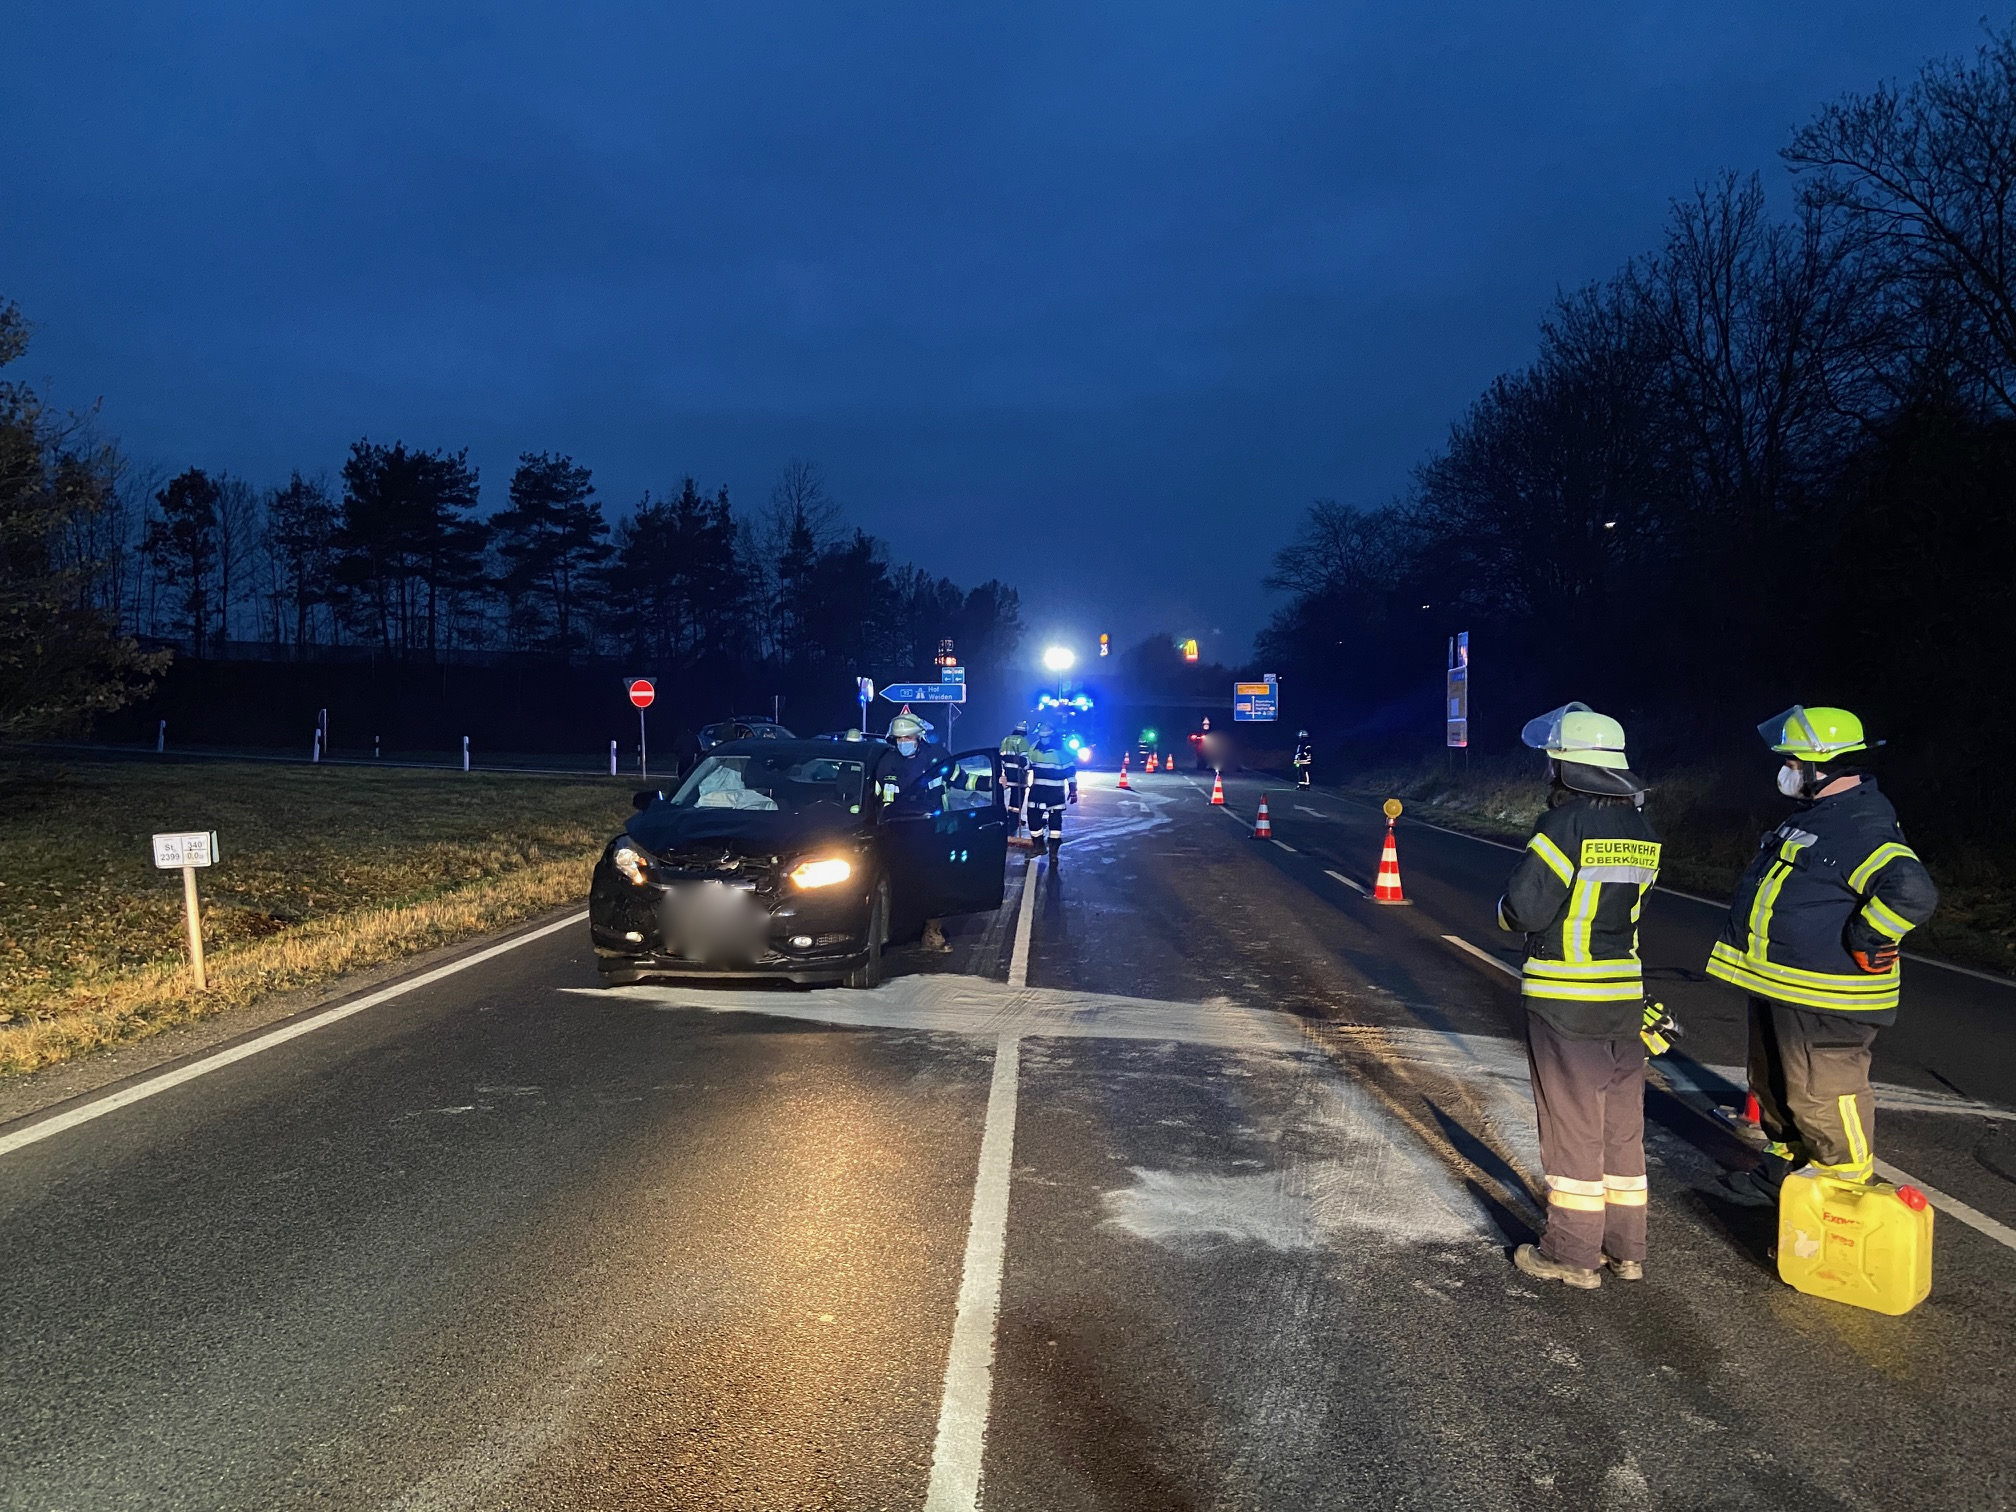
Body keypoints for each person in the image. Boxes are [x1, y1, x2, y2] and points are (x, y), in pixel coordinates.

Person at [1706, 706, 1938, 1207]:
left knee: (1823, 1093)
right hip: (1784, 985)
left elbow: (1912, 891)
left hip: (1826, 994)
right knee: (1773, 1084)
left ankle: (1843, 1196)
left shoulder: (1860, 823)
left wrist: (1868, 938)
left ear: (1823, 765)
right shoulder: (1822, 815)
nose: (1786, 770)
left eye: (1793, 761)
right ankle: (1782, 1175)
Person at [1497, 702, 1662, 1290]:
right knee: (1621, 1129)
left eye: (1553, 761)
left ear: (1568, 767)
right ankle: (1626, 1249)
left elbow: (1523, 909)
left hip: (1565, 1001)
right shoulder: (1643, 831)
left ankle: (1571, 1254)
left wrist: (1503, 910)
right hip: (1625, 999)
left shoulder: (1562, 827)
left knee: (1573, 1130)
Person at [873, 711, 956, 951]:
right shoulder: (886, 762)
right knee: (899, 882)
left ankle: (932, 932)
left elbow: (960, 778)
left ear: (919, 737)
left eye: (908, 738)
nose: (903, 743)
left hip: (932, 828)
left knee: (934, 881)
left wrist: (990, 783)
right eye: (899, 739)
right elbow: (874, 795)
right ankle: (895, 930)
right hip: (896, 830)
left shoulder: (937, 757)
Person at [1024, 724, 1078, 859]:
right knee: (1034, 819)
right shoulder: (1035, 747)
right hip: (1041, 792)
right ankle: (1042, 847)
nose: (1043, 739)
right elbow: (1028, 765)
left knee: (1053, 822)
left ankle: (1051, 849)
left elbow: (1070, 772)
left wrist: (1073, 790)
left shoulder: (1060, 750)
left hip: (1051, 793)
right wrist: (1021, 762)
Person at [999, 722, 1033, 841]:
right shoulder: (1023, 741)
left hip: (1008, 774)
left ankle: (1013, 819)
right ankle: (1013, 823)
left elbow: (1001, 757)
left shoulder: (1006, 740)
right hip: (1019, 776)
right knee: (1017, 801)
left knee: (1012, 801)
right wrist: (1028, 767)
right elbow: (1026, 761)